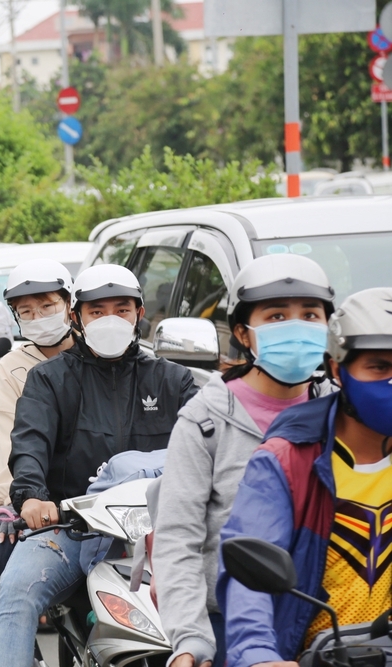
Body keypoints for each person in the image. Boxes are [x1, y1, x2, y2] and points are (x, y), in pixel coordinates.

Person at [0, 264, 198, 667]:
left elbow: (206, 449)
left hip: (164, 532)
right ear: (77, 317)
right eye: (97, 311)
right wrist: (31, 496)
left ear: (139, 314)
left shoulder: (173, 380)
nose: (110, 320)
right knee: (14, 594)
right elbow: (30, 442)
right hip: (72, 528)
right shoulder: (48, 380)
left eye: (122, 309)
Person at [152, 255, 336, 667]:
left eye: (310, 314)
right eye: (275, 316)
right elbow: (178, 538)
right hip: (226, 622)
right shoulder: (204, 421)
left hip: (327, 620)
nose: (296, 327)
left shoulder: (343, 414)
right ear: (243, 334)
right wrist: (190, 639)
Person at [217, 287, 392, 667]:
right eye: (380, 367)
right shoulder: (287, 459)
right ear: (336, 369)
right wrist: (257, 653)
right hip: (312, 655)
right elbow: (248, 571)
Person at [0, 259, 76, 611]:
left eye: (48, 306)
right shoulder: (11, 366)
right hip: (33, 491)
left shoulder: (96, 352)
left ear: (69, 304)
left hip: (93, 491)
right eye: (27, 311)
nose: (38, 317)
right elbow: (7, 436)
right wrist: (11, 501)